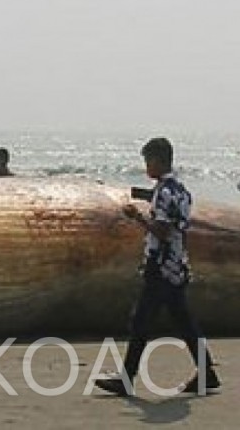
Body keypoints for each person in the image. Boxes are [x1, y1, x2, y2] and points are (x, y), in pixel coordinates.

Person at [94, 137, 221, 397]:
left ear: (158, 160)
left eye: (148, 160)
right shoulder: (180, 190)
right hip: (177, 266)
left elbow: (162, 231)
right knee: (184, 322)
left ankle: (126, 379)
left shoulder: (164, 193)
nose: (146, 166)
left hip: (161, 267)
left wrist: (136, 216)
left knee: (140, 322)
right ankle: (207, 373)